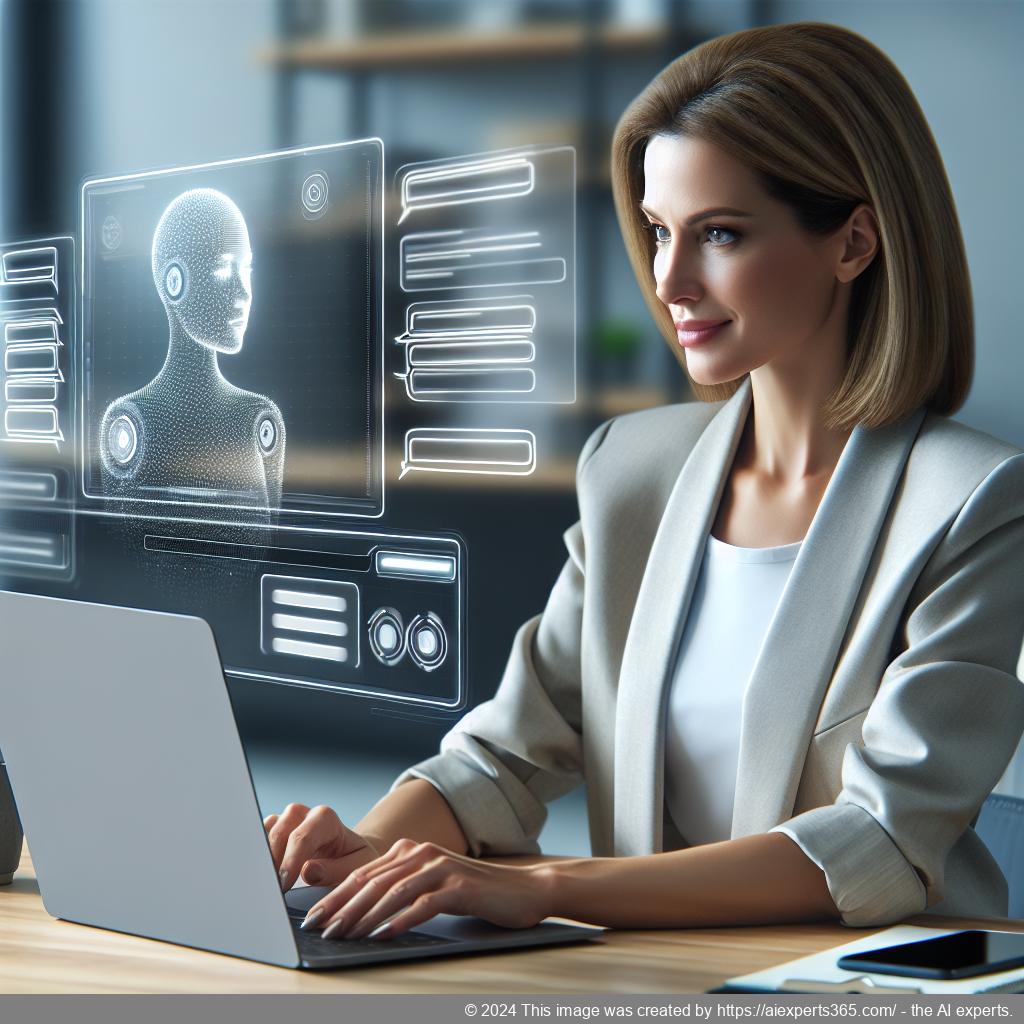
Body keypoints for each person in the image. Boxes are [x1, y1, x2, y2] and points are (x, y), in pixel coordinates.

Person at [264, 22, 1024, 943]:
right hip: (647, 978)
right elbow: (505, 753)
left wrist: (542, 887)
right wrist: (356, 863)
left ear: (854, 241)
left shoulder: (972, 501)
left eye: (721, 235)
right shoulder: (633, 471)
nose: (669, 279)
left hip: (868, 983)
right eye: (661, 231)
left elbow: (876, 840)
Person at [99, 187, 286, 510]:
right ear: (175, 282)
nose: (244, 293)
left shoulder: (259, 418)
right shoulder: (130, 421)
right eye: (224, 268)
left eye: (247, 270)